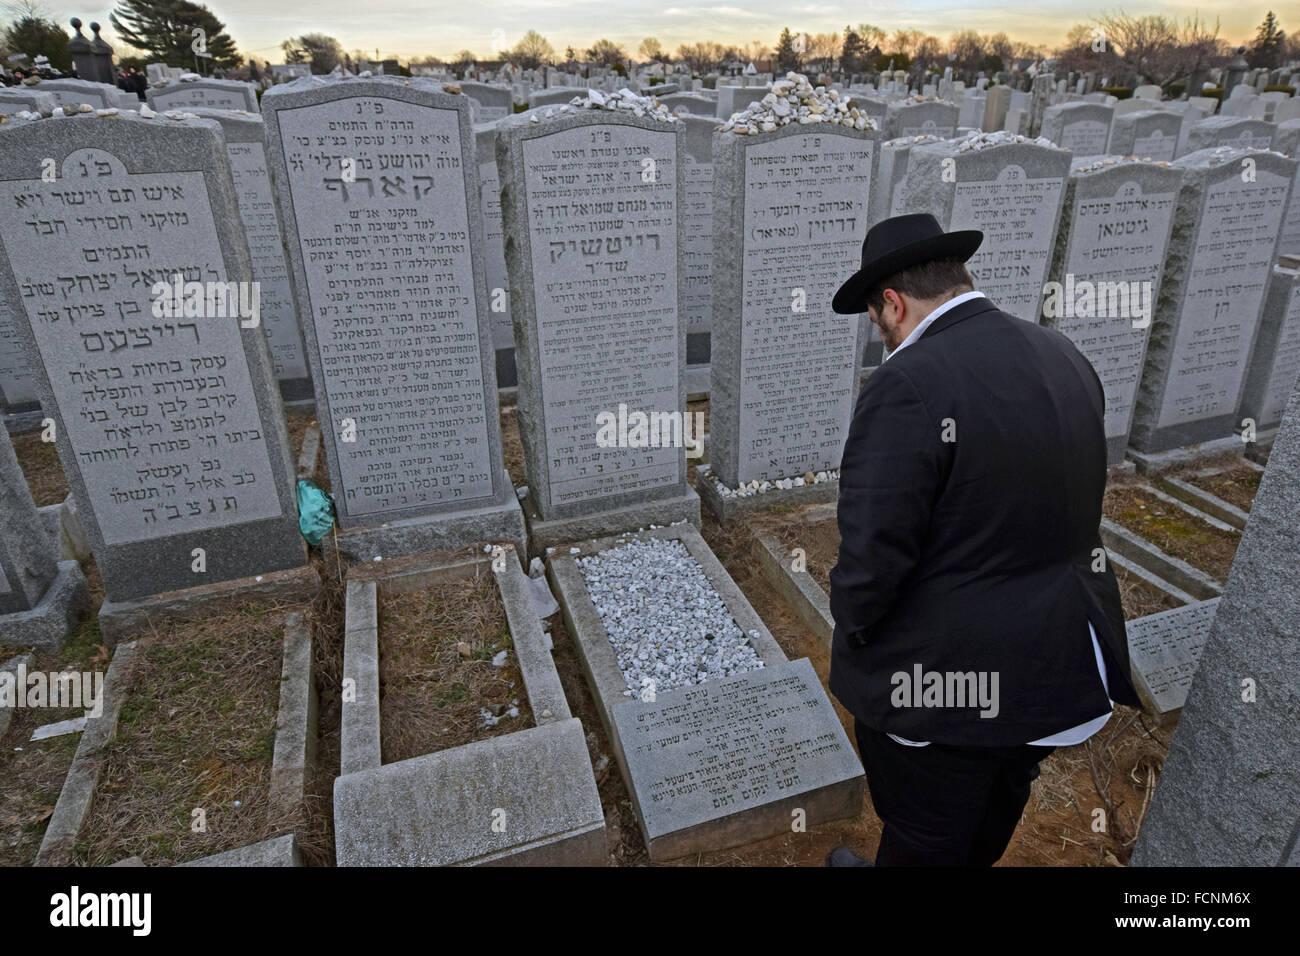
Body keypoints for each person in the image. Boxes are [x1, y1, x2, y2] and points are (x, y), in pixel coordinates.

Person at [823, 213, 1140, 867]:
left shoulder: (905, 386)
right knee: (997, 804)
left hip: (950, 684)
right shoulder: (1062, 354)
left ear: (892, 302)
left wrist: (858, 638)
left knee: (924, 831)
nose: (882, 335)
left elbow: (873, 558)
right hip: (1059, 665)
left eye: (877, 320)